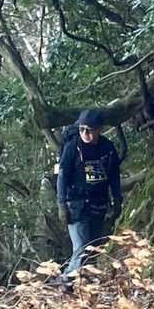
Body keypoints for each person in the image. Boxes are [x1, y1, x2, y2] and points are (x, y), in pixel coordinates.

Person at [57, 108, 123, 274]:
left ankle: (82, 283)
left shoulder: (107, 148)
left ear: (99, 129)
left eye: (89, 130)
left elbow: (114, 176)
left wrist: (117, 200)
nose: (85, 133)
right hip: (76, 205)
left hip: (98, 204)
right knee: (81, 248)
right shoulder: (72, 148)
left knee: (93, 249)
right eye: (81, 129)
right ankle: (67, 281)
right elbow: (62, 177)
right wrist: (61, 204)